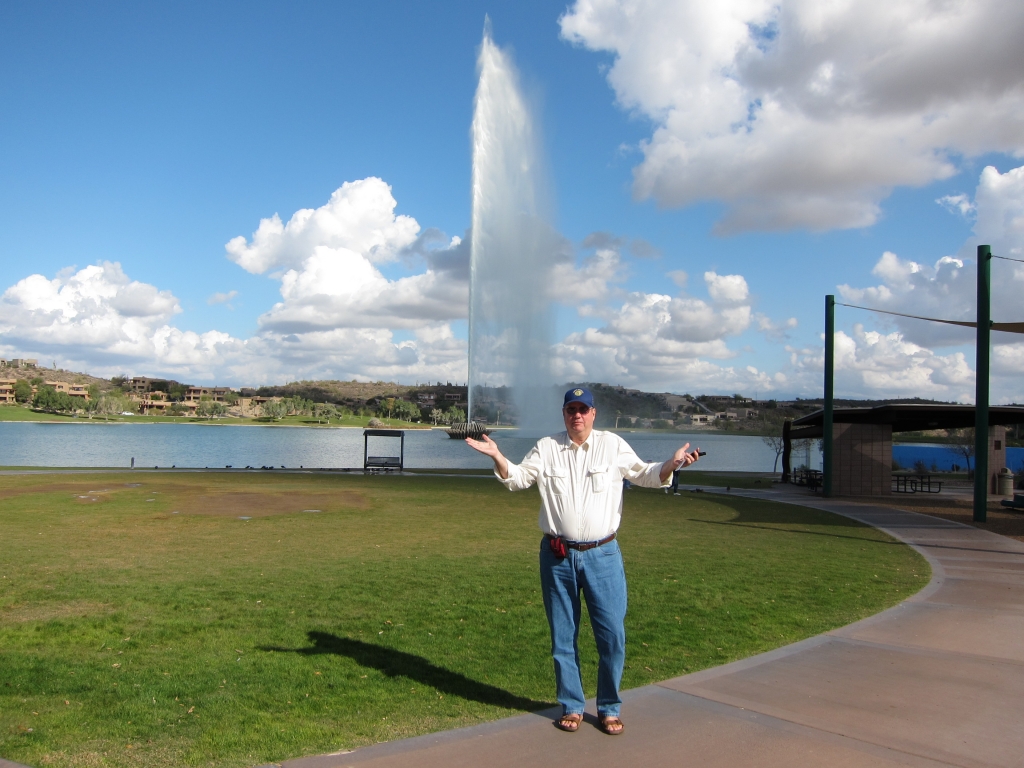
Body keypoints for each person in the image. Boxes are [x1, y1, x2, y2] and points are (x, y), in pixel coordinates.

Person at [466, 386, 701, 735]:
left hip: (603, 555)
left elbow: (646, 474)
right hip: (557, 556)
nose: (577, 415)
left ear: (594, 413)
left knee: (611, 636)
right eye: (571, 409)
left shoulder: (613, 446)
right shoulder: (547, 448)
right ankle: (572, 706)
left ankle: (609, 707)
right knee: (563, 637)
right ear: (564, 414)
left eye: (583, 409)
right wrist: (498, 456)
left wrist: (673, 463)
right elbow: (517, 479)